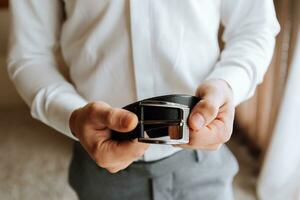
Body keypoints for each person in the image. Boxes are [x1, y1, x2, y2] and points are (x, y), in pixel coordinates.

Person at [7, 1, 280, 200]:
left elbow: (255, 26)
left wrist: (228, 85)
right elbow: (30, 55)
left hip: (202, 162)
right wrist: (73, 115)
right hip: (99, 170)